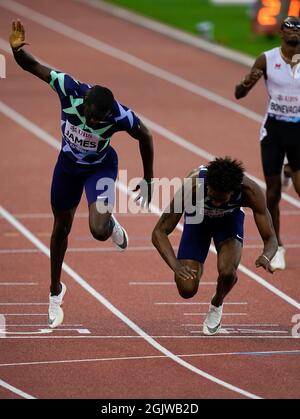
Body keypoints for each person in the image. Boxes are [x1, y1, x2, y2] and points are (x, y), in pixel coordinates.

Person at [9, 20, 154, 328]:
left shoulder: (119, 115)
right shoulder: (69, 89)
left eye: (98, 119)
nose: (91, 121)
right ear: (84, 103)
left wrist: (149, 178)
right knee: (61, 228)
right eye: (89, 115)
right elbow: (31, 66)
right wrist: (17, 49)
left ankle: (110, 223)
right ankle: (55, 291)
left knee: (98, 230)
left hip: (100, 167)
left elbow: (146, 136)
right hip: (67, 167)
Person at [152, 158, 278, 336]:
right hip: (198, 221)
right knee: (186, 290)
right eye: (214, 197)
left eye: (222, 199)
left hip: (228, 223)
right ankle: (197, 261)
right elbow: (159, 232)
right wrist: (176, 265)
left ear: (234, 191)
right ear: (208, 186)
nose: (217, 203)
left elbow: (271, 237)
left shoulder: (250, 191)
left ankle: (217, 303)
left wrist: (266, 256)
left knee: (227, 272)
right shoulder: (193, 186)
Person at [235, 16, 300, 272]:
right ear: (281, 33)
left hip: (298, 131)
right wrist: (246, 82)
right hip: (273, 131)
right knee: (272, 193)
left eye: (298, 29)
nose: (294, 33)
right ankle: (278, 246)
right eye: (290, 29)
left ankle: (289, 171)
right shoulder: (266, 58)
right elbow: (238, 94)